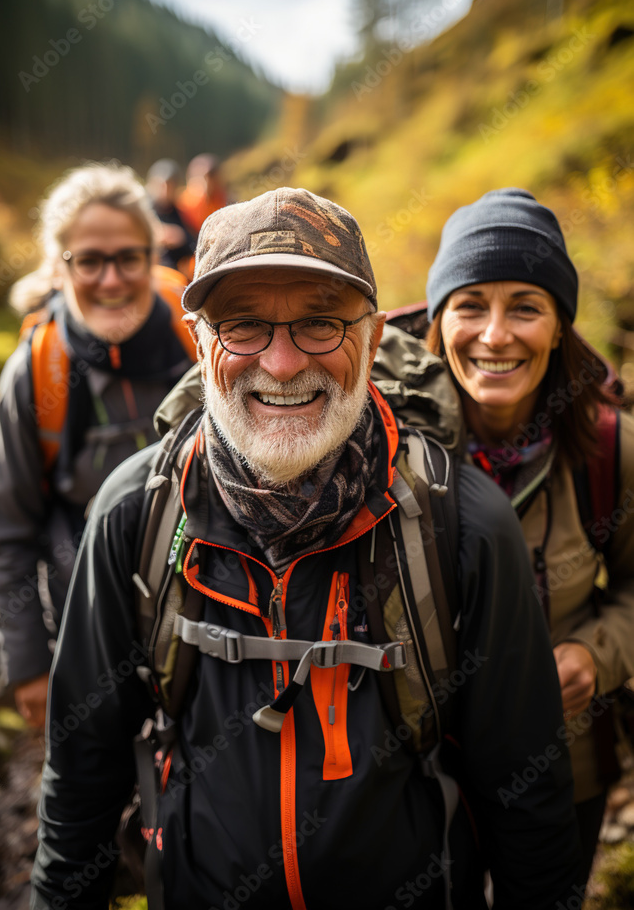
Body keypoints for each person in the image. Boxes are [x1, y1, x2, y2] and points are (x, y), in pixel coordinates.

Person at [31, 187, 580, 909]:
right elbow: (81, 774)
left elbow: (527, 797)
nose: (283, 364)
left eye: (321, 323)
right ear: (200, 340)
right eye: (243, 327)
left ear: (374, 337)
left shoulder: (462, 523)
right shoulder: (137, 510)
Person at [425, 186, 634, 888]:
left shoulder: (608, 449)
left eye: (524, 305)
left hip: (563, 765)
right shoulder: (387, 446)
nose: (493, 334)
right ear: (438, 320)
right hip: (417, 774)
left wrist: (595, 653)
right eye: (469, 304)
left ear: (558, 325)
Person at [0, 162, 196, 729]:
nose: (111, 279)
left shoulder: (200, 337)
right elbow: (8, 528)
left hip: (210, 621)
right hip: (88, 628)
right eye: (89, 260)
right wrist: (25, 666)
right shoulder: (36, 375)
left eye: (128, 257)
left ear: (155, 255)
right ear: (59, 265)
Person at [145, 158, 197, 277]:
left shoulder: (178, 211)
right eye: (162, 186)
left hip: (174, 273)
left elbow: (193, 243)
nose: (165, 191)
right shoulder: (142, 209)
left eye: (170, 186)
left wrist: (181, 236)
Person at [176, 151, 228, 234]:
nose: (207, 184)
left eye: (210, 178)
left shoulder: (224, 198)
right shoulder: (182, 204)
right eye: (203, 178)